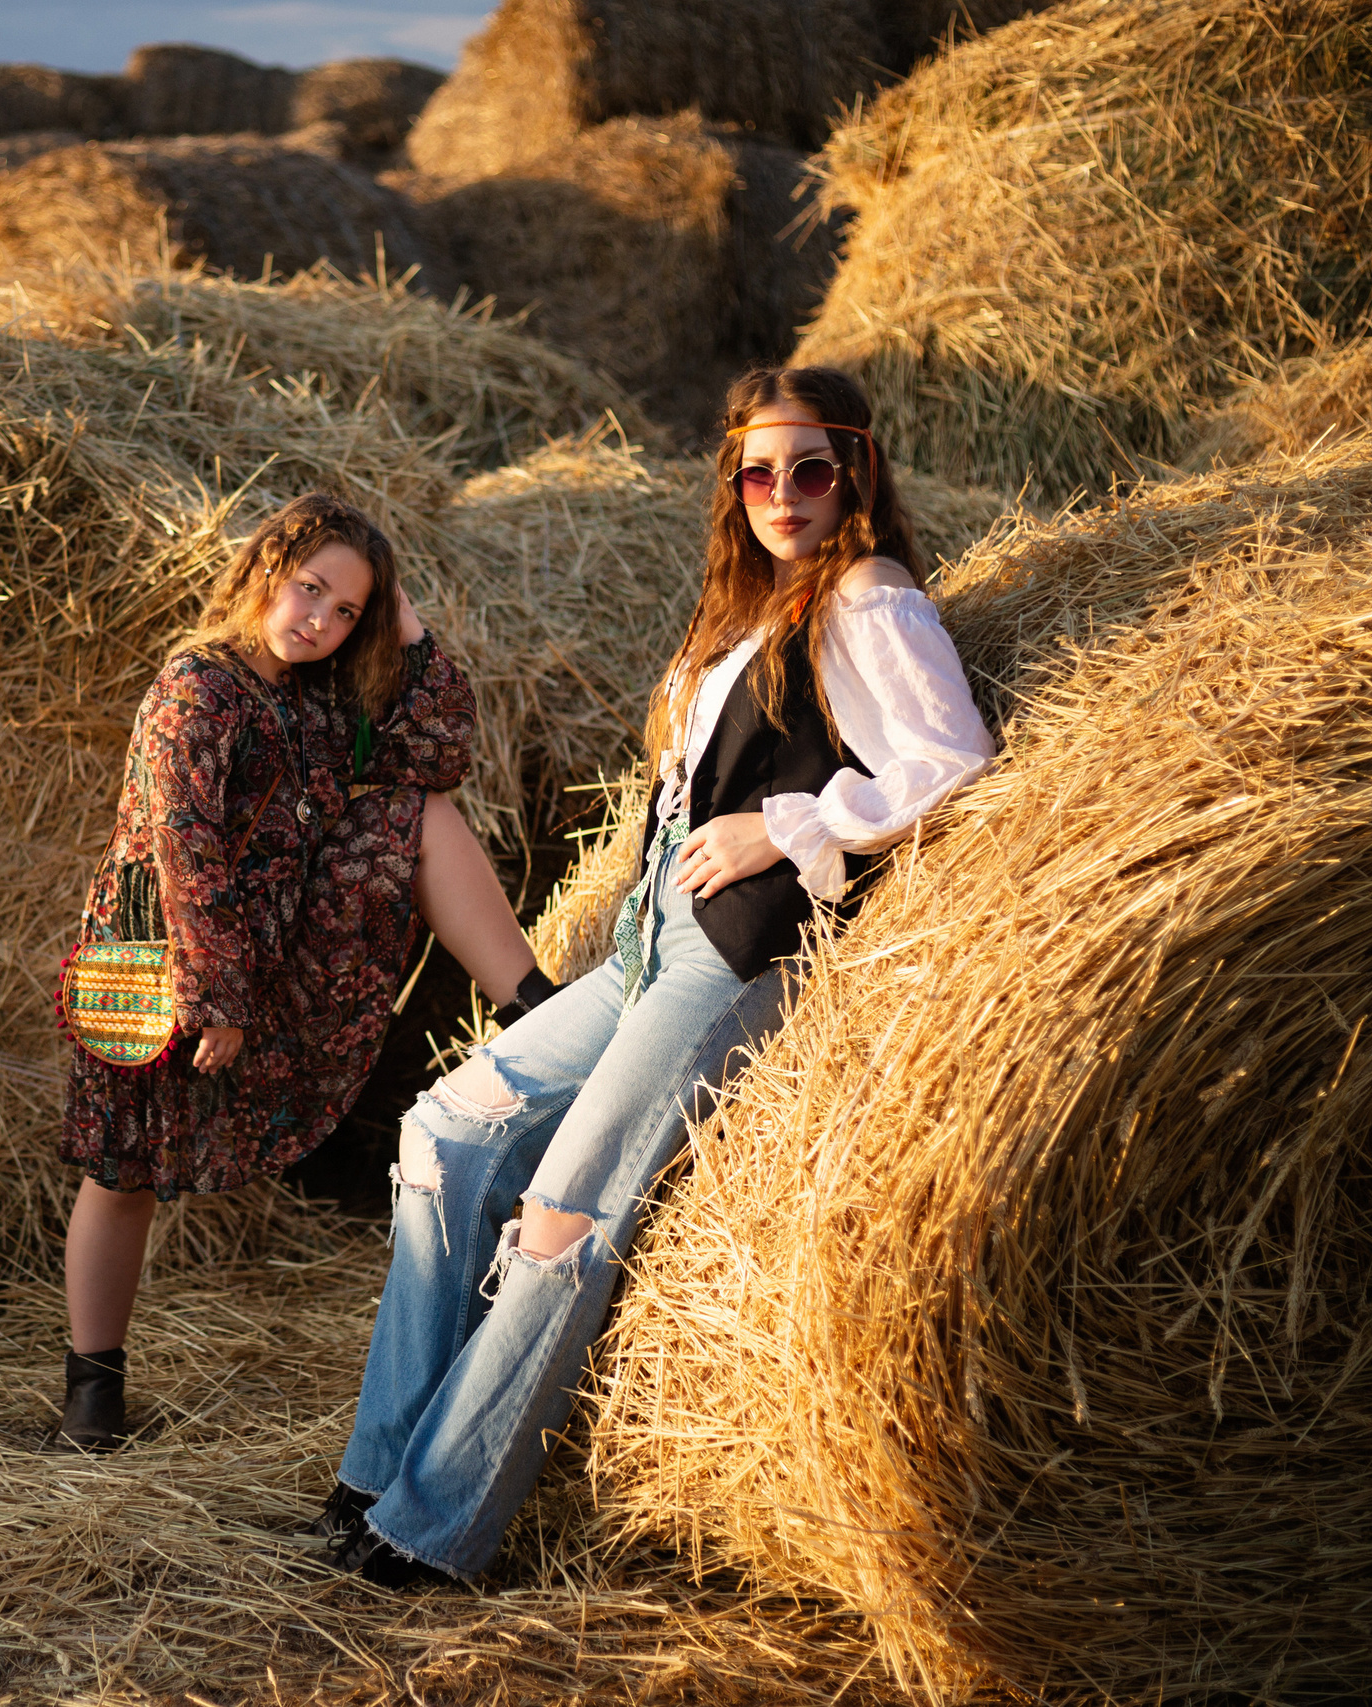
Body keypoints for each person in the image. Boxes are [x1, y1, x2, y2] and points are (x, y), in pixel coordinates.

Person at [313, 367, 999, 1585]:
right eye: (755, 471)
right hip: (646, 940)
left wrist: (783, 825)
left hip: (742, 950)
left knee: (564, 1218)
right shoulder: (741, 607)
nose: (781, 494)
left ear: (859, 471)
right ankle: (373, 1471)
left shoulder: (868, 598)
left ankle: (431, 1527)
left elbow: (951, 760)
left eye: (811, 469)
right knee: (446, 1135)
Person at [58, 493, 557, 1451]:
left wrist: (407, 633)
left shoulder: (322, 700)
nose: (319, 623)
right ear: (261, 572)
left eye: (346, 613)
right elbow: (184, 846)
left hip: (271, 953)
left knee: (415, 811)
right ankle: (93, 1391)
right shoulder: (194, 687)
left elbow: (443, 749)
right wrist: (219, 994)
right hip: (154, 957)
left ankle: (535, 1003)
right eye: (309, 590)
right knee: (122, 1175)